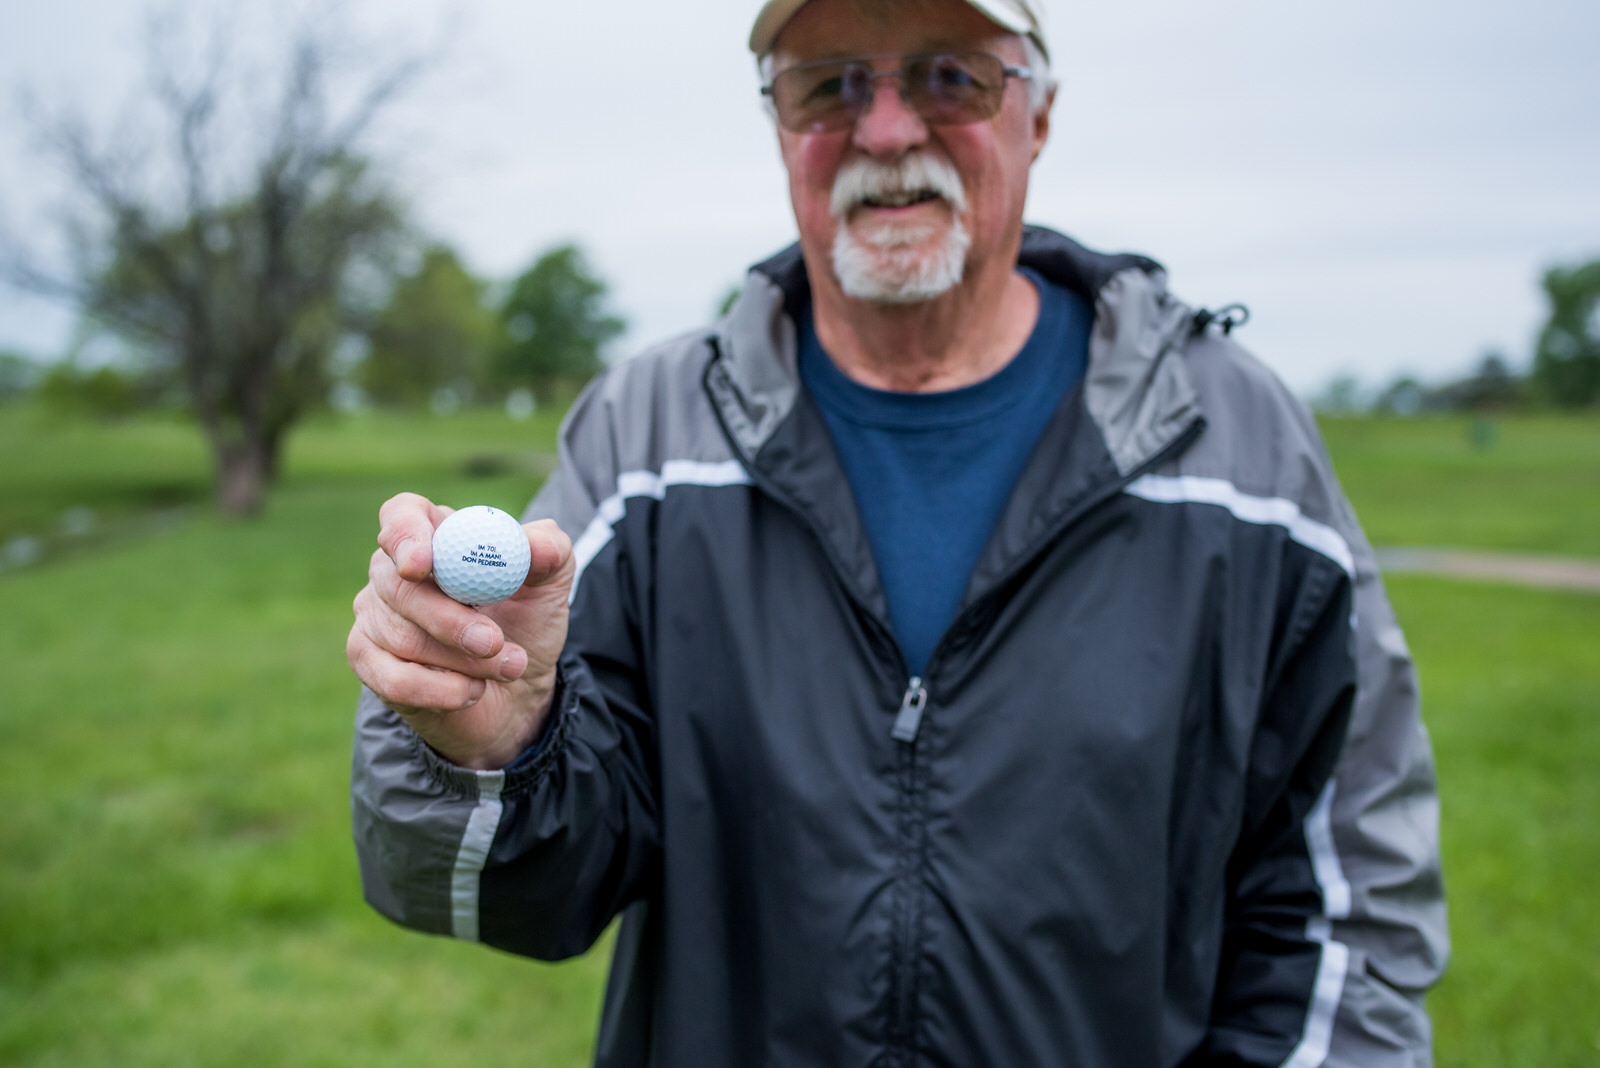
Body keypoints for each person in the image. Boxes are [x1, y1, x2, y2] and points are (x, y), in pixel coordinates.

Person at [347, 0, 1449, 1063]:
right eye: (827, 84)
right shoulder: (647, 437)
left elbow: (1350, 915)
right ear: (780, 125)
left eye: (949, 75)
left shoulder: (1237, 448)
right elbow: (516, 893)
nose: (884, 129)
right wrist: (491, 743)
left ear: (1041, 111)